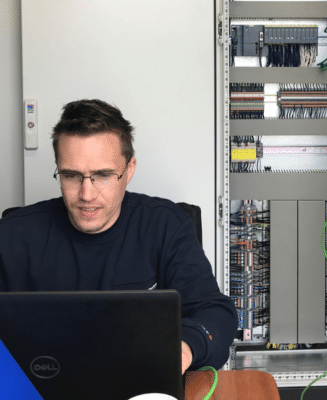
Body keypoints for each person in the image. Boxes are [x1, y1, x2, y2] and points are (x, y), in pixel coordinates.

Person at [0, 99, 238, 374]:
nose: (86, 195)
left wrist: (184, 348)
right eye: (71, 176)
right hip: (37, 384)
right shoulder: (11, 235)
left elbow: (215, 313)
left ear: (129, 170)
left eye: (102, 175)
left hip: (143, 380)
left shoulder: (166, 225)